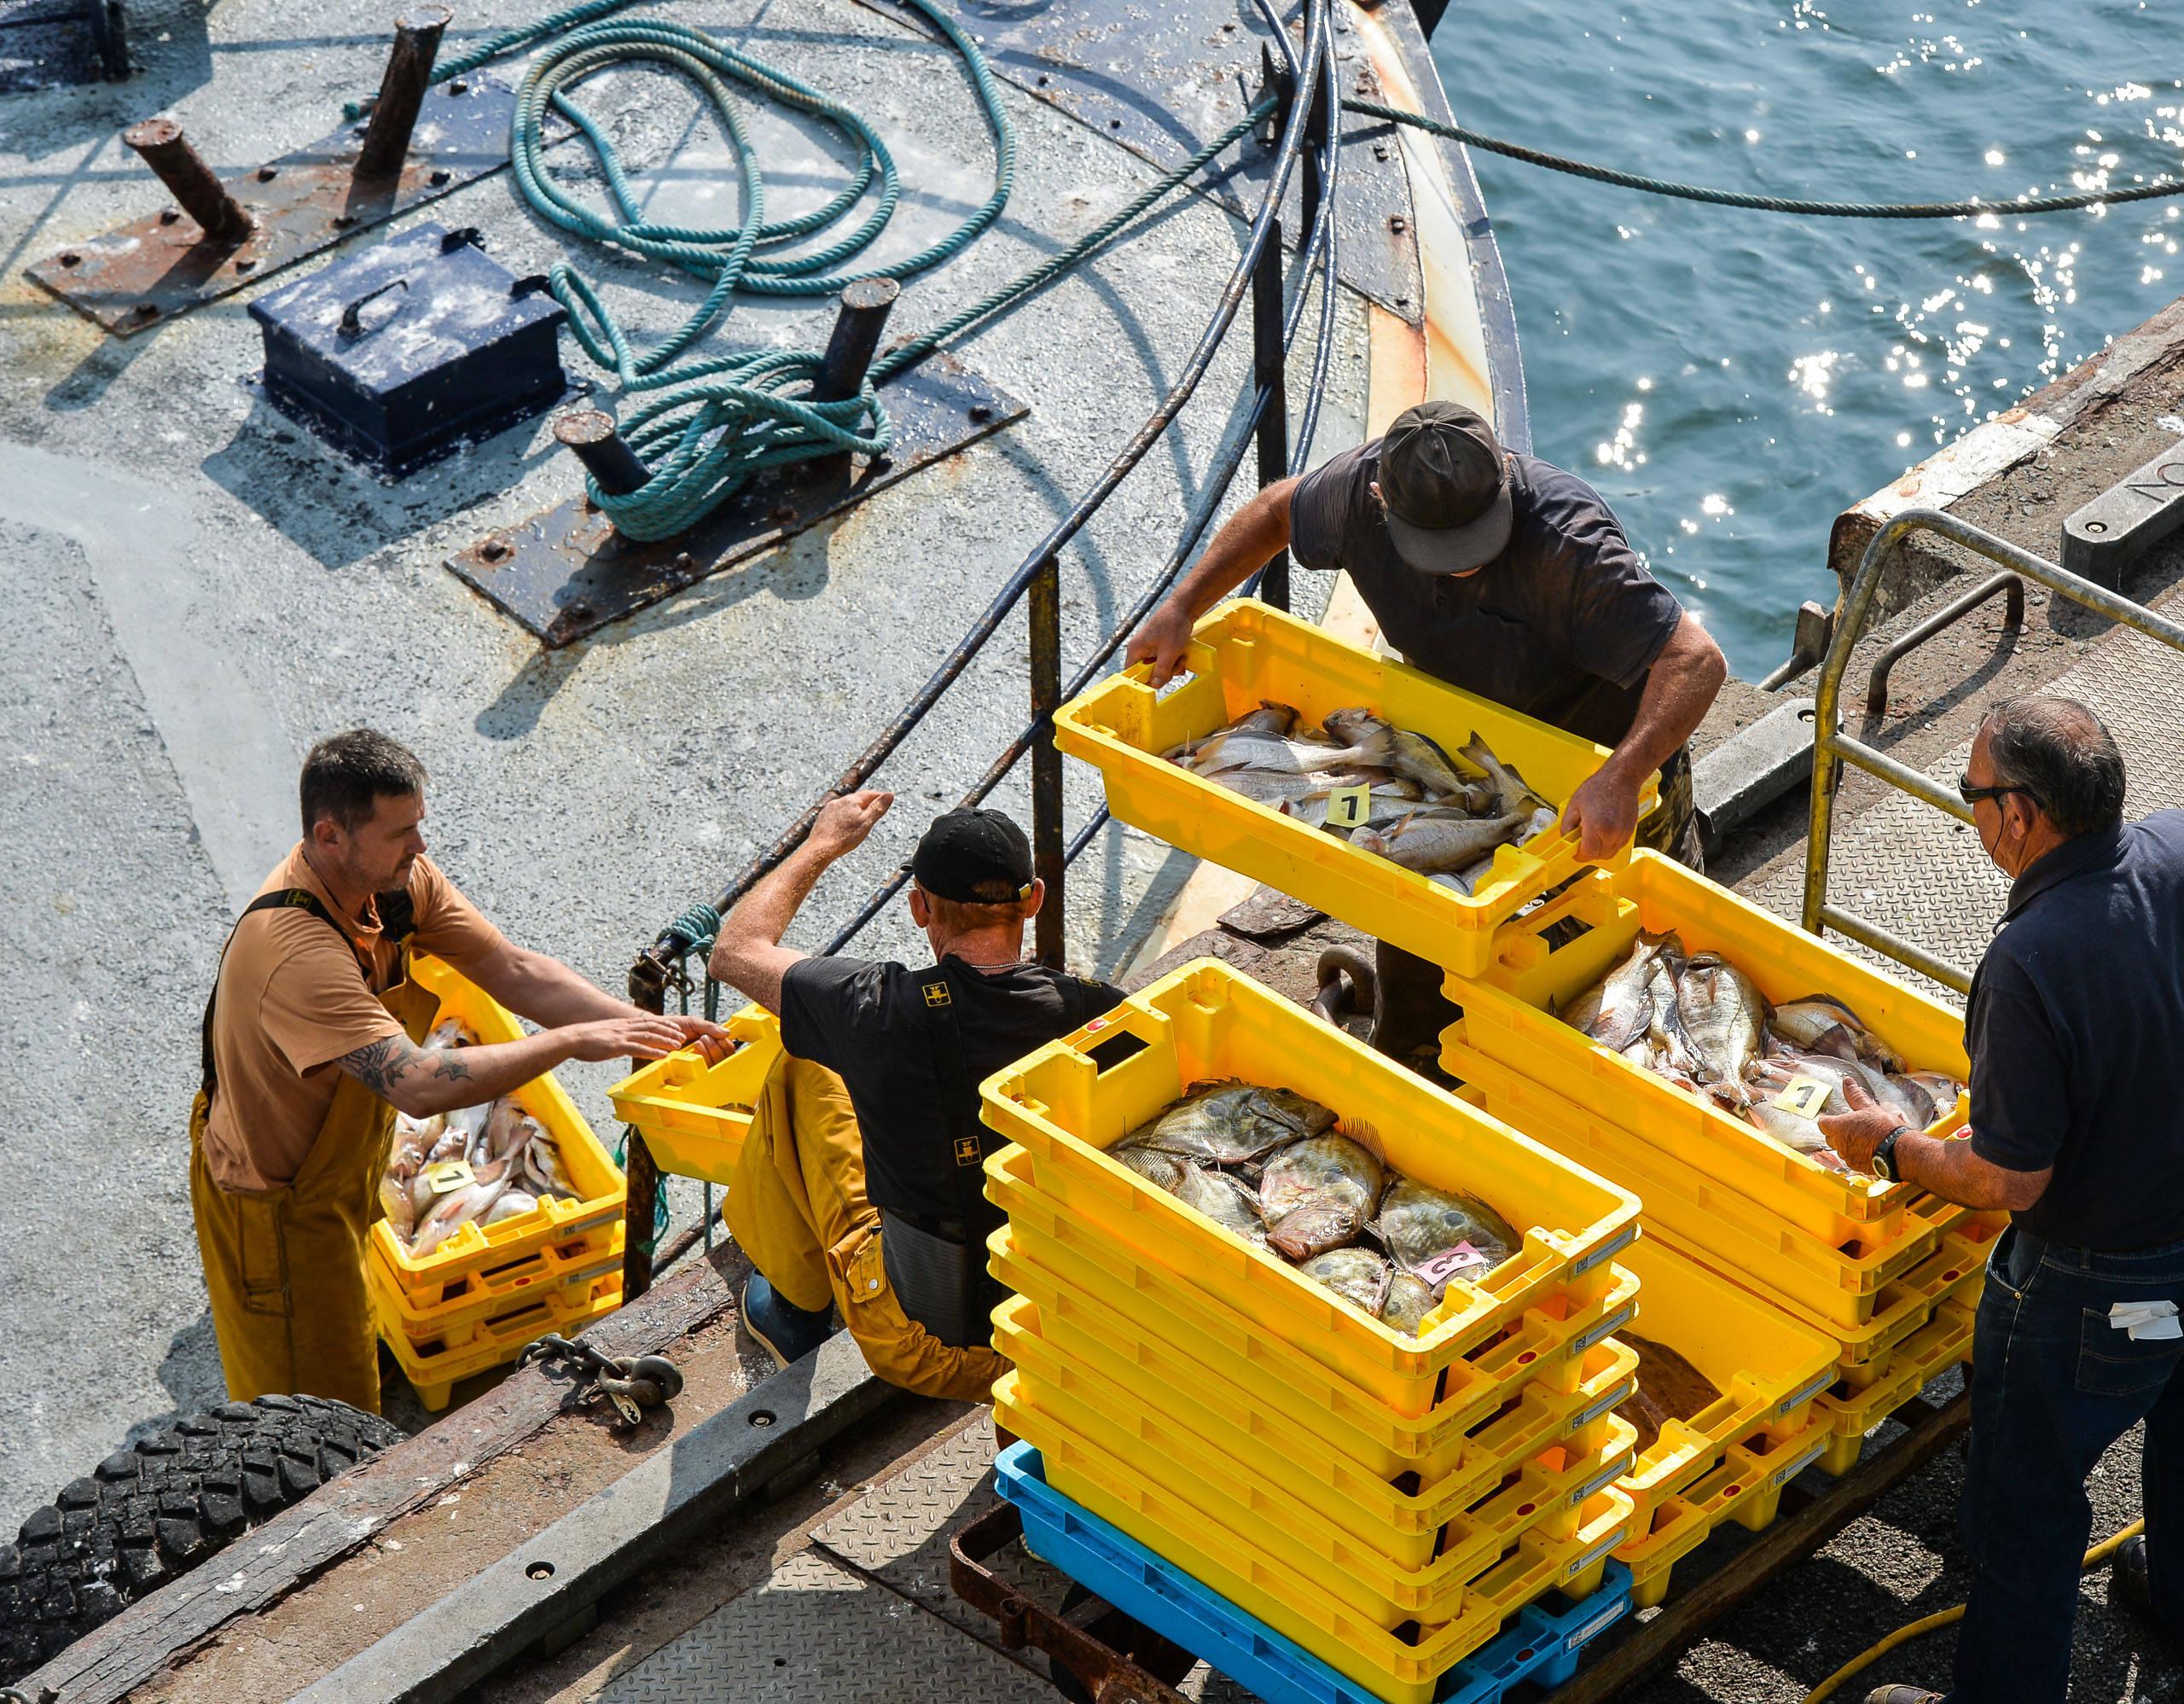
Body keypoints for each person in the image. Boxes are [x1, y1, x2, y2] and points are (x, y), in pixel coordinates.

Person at [1819, 697, 2184, 1704]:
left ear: (2021, 813)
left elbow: (2007, 1180)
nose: (1971, 815)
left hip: (2107, 1280)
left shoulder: (2030, 958)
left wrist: (1891, 1144)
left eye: (1971, 796)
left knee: (2029, 1498)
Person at [1125, 399, 1728, 1056]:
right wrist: (1184, 605)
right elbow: (1277, 512)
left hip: (1605, 755)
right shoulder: (1356, 491)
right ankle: (1417, 1054)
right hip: (1461, 750)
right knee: (1420, 921)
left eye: (1477, 540)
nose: (1461, 563)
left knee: (1660, 931)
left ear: (1503, 475)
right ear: (1381, 499)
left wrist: (1623, 774)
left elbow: (1695, 661)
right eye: (1439, 549)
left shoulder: (1570, 543)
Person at [194, 731, 728, 1412]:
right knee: (321, 1426)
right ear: (330, 837)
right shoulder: (294, 951)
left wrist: (639, 1026)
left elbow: (514, 969)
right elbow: (416, 1081)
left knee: (348, 1357)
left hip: (339, 1169)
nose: (420, 847)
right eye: (400, 833)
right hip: (276, 1212)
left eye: (419, 825)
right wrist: (569, 1042)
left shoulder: (391, 887)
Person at [707, 795, 1126, 1397]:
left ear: (918, 908)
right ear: (1033, 899)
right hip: (1058, 1325)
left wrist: (823, 844)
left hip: (925, 1344)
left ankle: (796, 1308)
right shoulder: (1099, 1014)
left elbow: (735, 951)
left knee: (802, 1060)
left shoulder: (874, 1010)